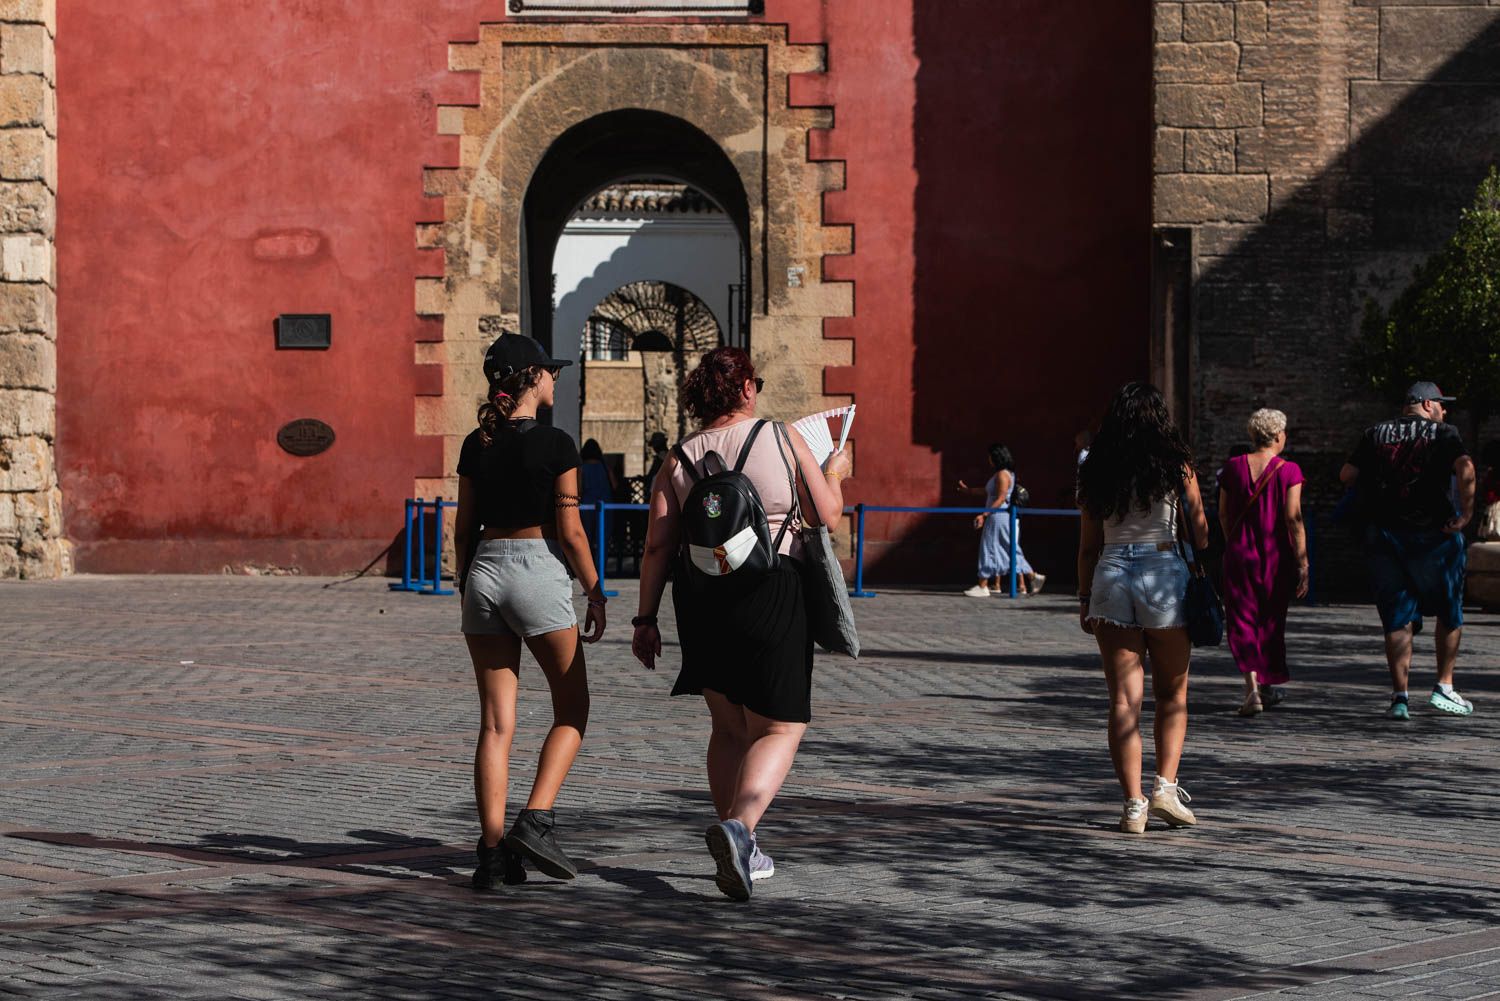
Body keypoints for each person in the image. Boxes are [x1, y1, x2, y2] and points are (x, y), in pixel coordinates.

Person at [631, 347, 851, 901]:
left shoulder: (678, 458)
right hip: (773, 588)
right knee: (780, 726)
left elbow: (657, 546)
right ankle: (740, 828)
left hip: (701, 596)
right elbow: (826, 515)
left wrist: (645, 618)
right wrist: (835, 472)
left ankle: (741, 846)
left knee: (728, 727)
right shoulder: (780, 436)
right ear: (747, 389)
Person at [453, 332, 607, 891]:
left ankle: (492, 856)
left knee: (496, 723)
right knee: (573, 707)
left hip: (484, 571)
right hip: (536, 569)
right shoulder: (557, 443)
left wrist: (465, 584)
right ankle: (536, 819)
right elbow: (571, 531)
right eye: (550, 371)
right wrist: (595, 591)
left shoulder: (476, 443)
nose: (555, 379)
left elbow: (462, 529)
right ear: (533, 378)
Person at [1076, 382, 1209, 834]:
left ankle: (1134, 805)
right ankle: (1165, 788)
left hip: (1111, 573)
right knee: (1172, 693)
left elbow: (1087, 547)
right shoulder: (1177, 465)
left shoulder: (1095, 468)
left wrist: (1084, 598)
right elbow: (1201, 533)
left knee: (1123, 700)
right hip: (1163, 571)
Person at [1340, 381, 1476, 719]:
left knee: (1397, 616)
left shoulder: (1375, 433)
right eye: (1441, 404)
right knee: (1449, 609)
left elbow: (1347, 474)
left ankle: (1400, 697)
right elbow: (1466, 468)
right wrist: (1466, 515)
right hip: (1434, 535)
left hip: (1386, 536)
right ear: (1428, 404)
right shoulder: (1443, 433)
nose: (1444, 410)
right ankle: (1444, 686)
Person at [1218, 409, 1309, 716]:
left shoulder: (1233, 467)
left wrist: (1233, 542)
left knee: (1241, 620)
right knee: (1270, 621)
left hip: (1240, 555)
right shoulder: (1289, 471)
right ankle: (1265, 685)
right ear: (1279, 436)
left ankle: (1253, 690)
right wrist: (1303, 562)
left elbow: (1222, 513)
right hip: (1275, 557)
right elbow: (1294, 518)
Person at [957, 444, 1045, 596]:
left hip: (998, 517)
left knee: (989, 547)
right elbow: (987, 492)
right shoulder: (1003, 474)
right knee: (1007, 548)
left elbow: (1001, 498)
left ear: (996, 457)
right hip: (999, 516)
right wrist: (968, 491)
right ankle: (1032, 576)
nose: (989, 459)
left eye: (990, 456)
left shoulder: (1002, 475)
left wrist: (984, 514)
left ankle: (983, 585)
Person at [578, 438, 618, 552]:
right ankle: (601, 562)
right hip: (606, 505)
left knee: (586, 538)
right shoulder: (605, 466)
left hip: (587, 505)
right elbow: (615, 485)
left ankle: (588, 562)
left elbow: (579, 489)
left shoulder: (582, 468)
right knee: (603, 538)